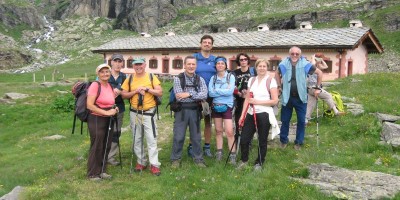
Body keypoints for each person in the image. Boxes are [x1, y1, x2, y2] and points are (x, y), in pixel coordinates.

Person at [275, 46, 323, 150]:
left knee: (301, 121)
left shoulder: (305, 64)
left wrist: (318, 88)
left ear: (300, 55)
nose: (294, 55)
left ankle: (298, 142)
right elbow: (276, 73)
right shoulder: (283, 63)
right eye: (292, 53)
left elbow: (319, 73)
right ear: (289, 54)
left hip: (301, 98)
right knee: (285, 120)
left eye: (297, 54)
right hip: (287, 97)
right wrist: (279, 86)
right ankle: (283, 140)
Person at [121, 57, 163, 176]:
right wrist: (135, 92)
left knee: (151, 138)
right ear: (133, 66)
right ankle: (141, 162)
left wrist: (147, 89)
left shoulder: (151, 76)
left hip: (149, 113)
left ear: (145, 65)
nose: (138, 66)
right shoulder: (130, 78)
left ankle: (154, 165)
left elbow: (159, 92)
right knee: (137, 138)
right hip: (135, 112)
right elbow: (124, 95)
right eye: (135, 65)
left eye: (140, 64)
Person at [237, 59, 279, 170]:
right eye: (259, 66)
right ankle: (244, 160)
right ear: (256, 68)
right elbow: (247, 99)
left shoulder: (271, 81)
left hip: (264, 113)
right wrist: (242, 116)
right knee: (244, 139)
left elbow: (275, 101)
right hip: (250, 112)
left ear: (267, 68)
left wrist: (257, 102)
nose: (261, 68)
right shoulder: (252, 80)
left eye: (264, 66)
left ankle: (259, 162)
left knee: (262, 139)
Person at [170, 56, 208, 168]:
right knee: (179, 136)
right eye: (189, 64)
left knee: (196, 137)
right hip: (181, 110)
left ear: (196, 66)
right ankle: (175, 159)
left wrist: (189, 94)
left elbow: (204, 94)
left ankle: (199, 159)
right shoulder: (178, 79)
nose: (191, 66)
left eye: (193, 64)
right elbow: (179, 96)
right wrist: (195, 96)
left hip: (195, 110)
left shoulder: (200, 79)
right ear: (184, 65)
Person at [86, 63, 119, 181]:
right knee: (97, 145)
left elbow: (109, 101)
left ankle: (102, 170)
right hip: (96, 118)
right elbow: (89, 105)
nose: (105, 74)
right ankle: (92, 173)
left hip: (108, 118)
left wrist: (114, 108)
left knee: (106, 144)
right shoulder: (95, 85)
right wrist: (105, 113)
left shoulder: (109, 85)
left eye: (107, 72)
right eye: (102, 72)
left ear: (110, 73)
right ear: (98, 74)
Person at [188, 34, 216, 158]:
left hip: (210, 96)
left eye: (209, 42)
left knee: (208, 122)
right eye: (204, 42)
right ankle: (191, 146)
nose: (207, 44)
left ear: (212, 45)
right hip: (195, 95)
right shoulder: (194, 58)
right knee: (194, 122)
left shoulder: (215, 60)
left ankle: (207, 147)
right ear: (200, 44)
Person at [208, 56, 236, 163]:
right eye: (218, 63)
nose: (220, 65)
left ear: (225, 65)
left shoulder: (230, 77)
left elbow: (230, 92)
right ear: (215, 65)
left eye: (222, 63)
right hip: (216, 106)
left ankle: (232, 155)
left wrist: (217, 90)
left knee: (229, 131)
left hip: (227, 106)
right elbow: (210, 93)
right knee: (218, 131)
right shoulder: (213, 78)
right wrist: (224, 90)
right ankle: (219, 152)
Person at [305, 54, 345, 125]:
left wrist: (322, 60)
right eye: (318, 60)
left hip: (310, 89)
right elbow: (313, 64)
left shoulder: (318, 66)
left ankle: (306, 120)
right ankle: (336, 112)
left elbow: (326, 66)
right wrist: (313, 58)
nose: (319, 61)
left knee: (310, 104)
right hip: (314, 87)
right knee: (328, 96)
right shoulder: (310, 64)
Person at [107, 53, 127, 166]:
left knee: (116, 132)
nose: (118, 64)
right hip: (105, 108)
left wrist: (122, 91)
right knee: (104, 132)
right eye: (116, 61)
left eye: (120, 62)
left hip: (119, 108)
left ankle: (111, 156)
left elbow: (126, 92)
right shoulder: (105, 74)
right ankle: (102, 154)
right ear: (112, 62)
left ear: (122, 63)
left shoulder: (124, 77)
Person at [233, 53, 257, 137]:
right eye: (241, 60)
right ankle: (237, 137)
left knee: (248, 120)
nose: (243, 61)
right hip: (239, 99)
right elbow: (232, 86)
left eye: (245, 59)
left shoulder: (253, 71)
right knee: (238, 119)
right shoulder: (235, 73)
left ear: (248, 60)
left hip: (250, 99)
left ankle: (247, 140)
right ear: (238, 61)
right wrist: (239, 93)